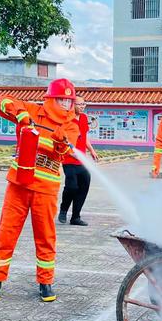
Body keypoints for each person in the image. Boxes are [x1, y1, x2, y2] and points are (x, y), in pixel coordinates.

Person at [0, 78, 79, 303]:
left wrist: (60, 142)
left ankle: (45, 283)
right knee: (6, 234)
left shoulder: (71, 125)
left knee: (46, 237)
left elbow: (66, 151)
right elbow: (2, 101)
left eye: (69, 100)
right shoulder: (32, 110)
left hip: (46, 190)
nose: (66, 104)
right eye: (62, 100)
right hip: (18, 185)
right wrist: (20, 115)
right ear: (51, 99)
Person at [58, 96, 98, 226]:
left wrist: (91, 150)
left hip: (82, 161)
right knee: (72, 186)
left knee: (85, 183)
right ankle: (63, 210)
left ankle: (75, 217)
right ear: (72, 105)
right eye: (80, 104)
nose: (82, 106)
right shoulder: (66, 120)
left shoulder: (84, 118)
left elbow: (84, 137)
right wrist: (71, 152)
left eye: (84, 104)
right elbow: (62, 140)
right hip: (69, 160)